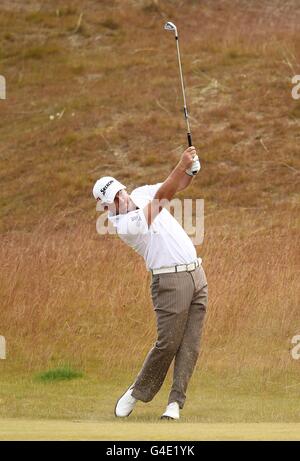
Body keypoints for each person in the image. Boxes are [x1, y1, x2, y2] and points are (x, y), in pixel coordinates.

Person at [92, 146, 208, 420]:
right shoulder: (123, 225)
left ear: (122, 188)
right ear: (106, 206)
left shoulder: (140, 192)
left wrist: (190, 170)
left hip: (197, 274)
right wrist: (181, 165)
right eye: (113, 199)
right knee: (167, 344)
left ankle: (174, 404)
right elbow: (161, 199)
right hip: (169, 281)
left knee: (190, 344)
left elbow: (174, 186)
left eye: (119, 192)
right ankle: (136, 392)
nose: (120, 198)